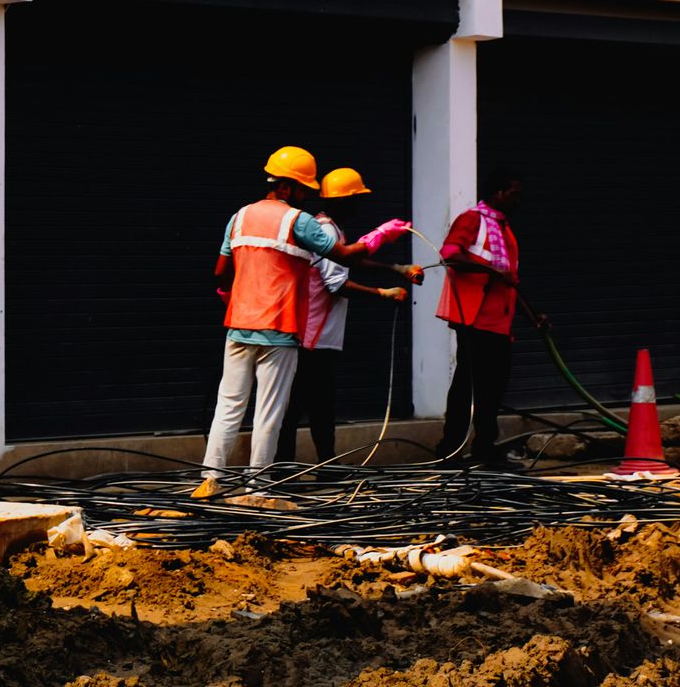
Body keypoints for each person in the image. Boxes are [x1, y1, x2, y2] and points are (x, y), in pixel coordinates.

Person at [202, 147, 410, 476]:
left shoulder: (238, 217)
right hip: (280, 328)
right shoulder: (298, 221)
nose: (307, 196)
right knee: (269, 412)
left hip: (239, 325)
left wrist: (233, 295)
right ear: (284, 187)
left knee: (228, 406)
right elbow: (343, 255)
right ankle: (259, 487)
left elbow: (220, 274)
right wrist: (381, 236)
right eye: (303, 189)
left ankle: (210, 480)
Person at [275, 168, 424, 465]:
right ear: (344, 200)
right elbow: (338, 284)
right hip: (313, 339)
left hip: (317, 337)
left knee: (318, 405)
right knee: (304, 407)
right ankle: (287, 469)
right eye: (357, 198)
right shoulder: (328, 230)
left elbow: (348, 259)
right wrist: (383, 293)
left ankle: (321, 465)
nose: (360, 205)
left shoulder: (329, 228)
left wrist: (395, 269)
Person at [432, 169, 525, 463]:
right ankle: (451, 448)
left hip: (499, 321)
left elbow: (509, 281)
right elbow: (449, 254)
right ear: (498, 192)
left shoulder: (503, 228)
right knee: (467, 386)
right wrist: (490, 270)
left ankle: (484, 447)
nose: (517, 200)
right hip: (474, 319)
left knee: (493, 388)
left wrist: (532, 315)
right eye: (513, 194)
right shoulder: (472, 220)